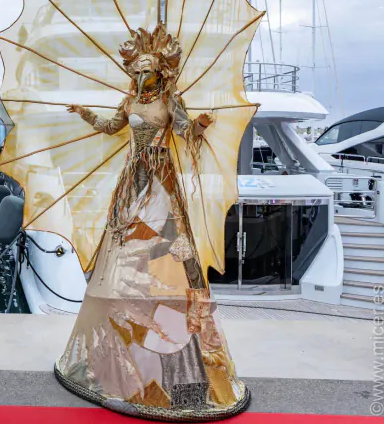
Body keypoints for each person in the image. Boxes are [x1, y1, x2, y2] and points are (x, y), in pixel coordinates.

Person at [57, 23, 248, 420]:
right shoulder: (129, 103)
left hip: (161, 177)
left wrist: (200, 125)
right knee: (123, 247)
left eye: (149, 69)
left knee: (173, 244)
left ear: (161, 71)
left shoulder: (169, 100)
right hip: (131, 180)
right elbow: (111, 129)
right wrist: (84, 113)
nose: (143, 74)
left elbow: (182, 130)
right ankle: (117, 346)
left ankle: (177, 343)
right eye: (139, 69)